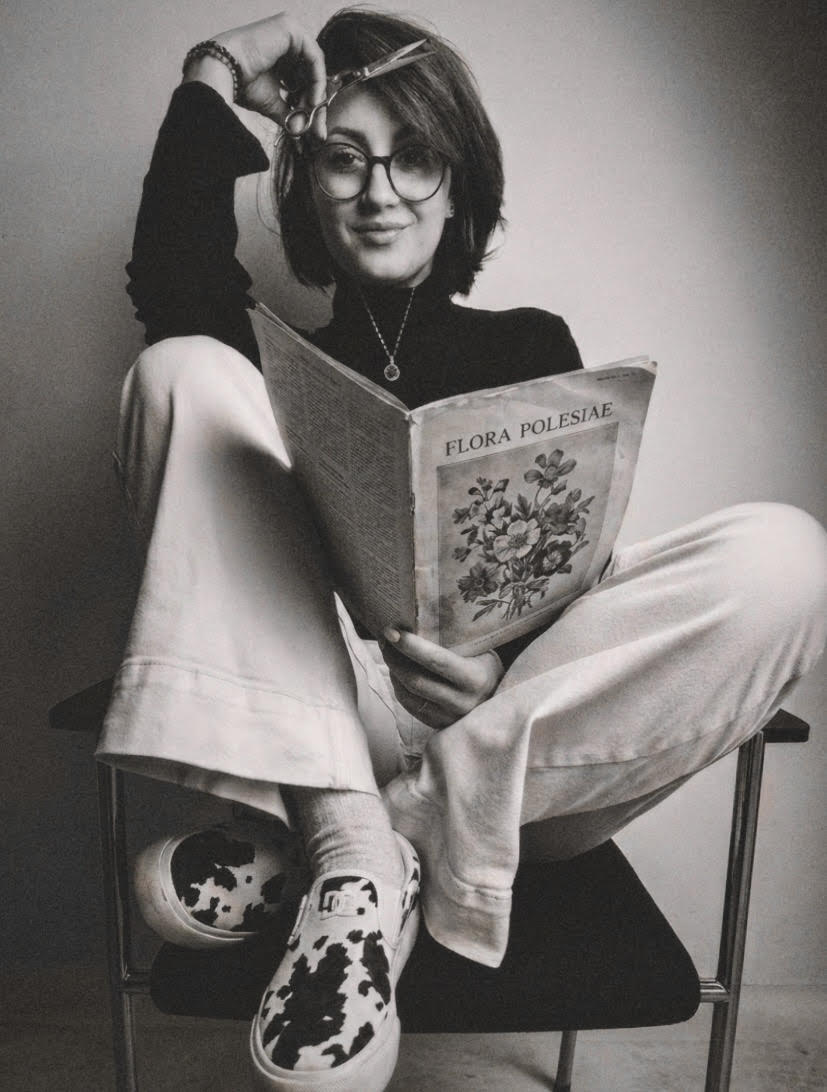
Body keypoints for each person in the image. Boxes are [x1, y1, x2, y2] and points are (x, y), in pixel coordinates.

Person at [96, 9, 827, 1091]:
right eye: (343, 158)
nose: (379, 191)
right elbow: (168, 280)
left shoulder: (532, 344)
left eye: (413, 157)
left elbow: (567, 577)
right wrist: (212, 71)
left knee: (787, 557)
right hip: (333, 716)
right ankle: (351, 847)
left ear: (456, 182)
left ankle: (358, 841)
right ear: (306, 184)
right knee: (180, 371)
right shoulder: (271, 363)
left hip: (514, 754)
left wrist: (498, 675)